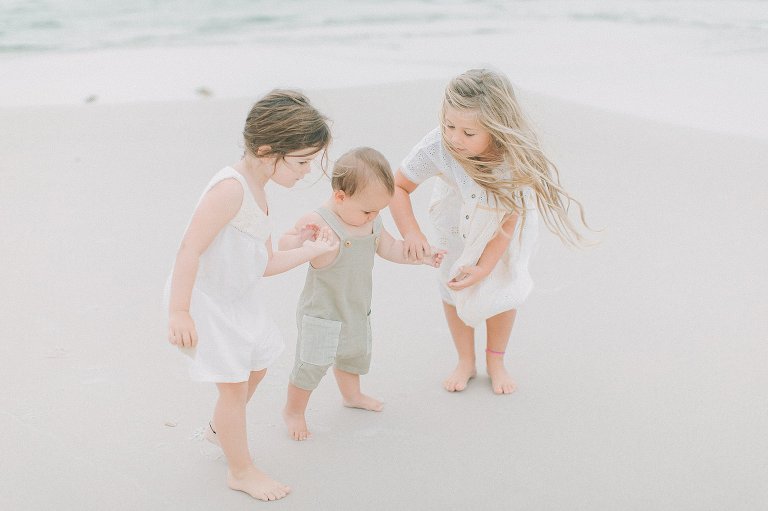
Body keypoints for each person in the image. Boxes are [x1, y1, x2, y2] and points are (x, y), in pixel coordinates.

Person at [165, 89, 338, 501]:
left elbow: (264, 263)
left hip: (237, 298)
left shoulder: (259, 191)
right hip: (207, 303)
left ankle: (219, 430)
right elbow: (188, 248)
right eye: (300, 162)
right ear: (266, 151)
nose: (306, 171)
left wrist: (308, 250)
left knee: (257, 366)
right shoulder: (230, 189)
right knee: (233, 384)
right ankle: (240, 470)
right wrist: (179, 311)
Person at [389, 69, 591, 395]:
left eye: (469, 133)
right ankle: (465, 360)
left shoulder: (513, 158)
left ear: (497, 129)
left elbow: (509, 220)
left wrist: (485, 266)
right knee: (451, 284)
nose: (455, 138)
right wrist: (412, 233)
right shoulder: (438, 146)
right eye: (449, 126)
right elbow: (398, 185)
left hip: (501, 226)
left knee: (500, 284)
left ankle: (496, 360)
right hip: (454, 221)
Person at [279, 147, 444, 441]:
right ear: (340, 197)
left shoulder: (371, 222)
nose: (373, 216)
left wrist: (422, 256)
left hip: (355, 308)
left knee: (352, 355)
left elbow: (391, 248)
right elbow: (284, 246)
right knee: (311, 366)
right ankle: (293, 411)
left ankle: (352, 395)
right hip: (321, 313)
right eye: (368, 211)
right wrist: (301, 240)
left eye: (378, 211)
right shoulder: (319, 222)